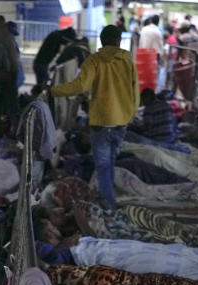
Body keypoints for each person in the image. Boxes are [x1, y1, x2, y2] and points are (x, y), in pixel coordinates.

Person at [51, 25, 138, 212]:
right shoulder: (127, 61)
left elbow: (80, 86)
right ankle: (109, 199)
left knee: (103, 167)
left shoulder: (94, 61)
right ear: (119, 40)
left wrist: (54, 91)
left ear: (101, 40)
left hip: (102, 121)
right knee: (110, 162)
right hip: (121, 121)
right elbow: (135, 91)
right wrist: (130, 114)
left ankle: (109, 207)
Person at [0, 15, 20, 122]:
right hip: (8, 71)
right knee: (11, 96)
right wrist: (15, 69)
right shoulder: (7, 35)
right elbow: (12, 55)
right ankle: (12, 120)